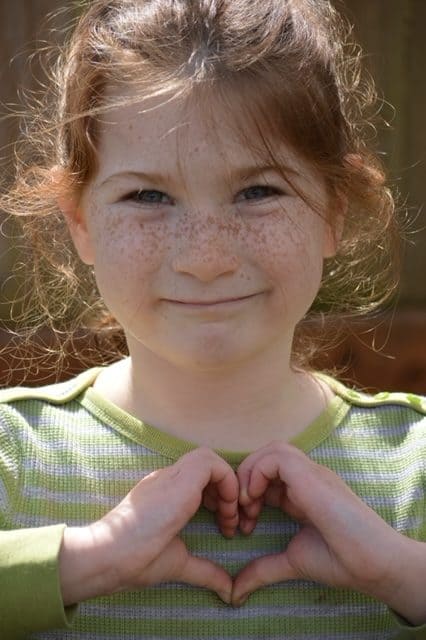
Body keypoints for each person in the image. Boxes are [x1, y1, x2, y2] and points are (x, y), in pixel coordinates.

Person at [0, 0, 425, 638]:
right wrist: (79, 563)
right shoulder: (13, 456)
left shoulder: (414, 465)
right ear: (80, 221)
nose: (206, 259)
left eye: (259, 191)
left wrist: (400, 573)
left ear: (335, 208)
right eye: (147, 196)